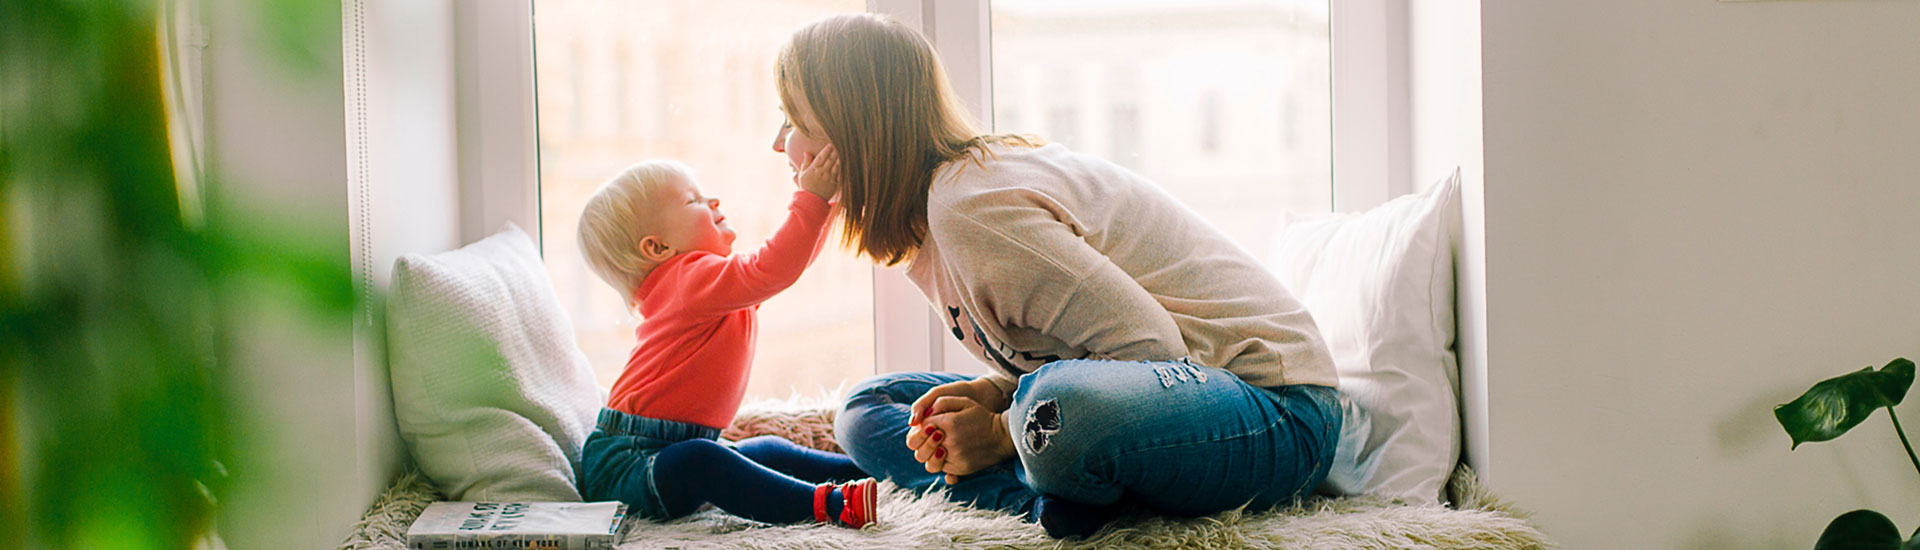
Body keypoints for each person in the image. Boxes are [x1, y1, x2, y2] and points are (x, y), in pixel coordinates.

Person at [772, 13, 1344, 538]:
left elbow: (1154, 349)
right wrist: (999, 395)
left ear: (856, 132)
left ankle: (1047, 480)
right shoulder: (933, 221)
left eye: (795, 121)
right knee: (867, 408)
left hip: (1276, 410)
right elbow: (1077, 357)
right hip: (1158, 399)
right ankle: (1057, 495)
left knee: (1054, 408)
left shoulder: (971, 207)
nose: (780, 143)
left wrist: (998, 432)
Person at [572, 155, 878, 528]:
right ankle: (828, 505)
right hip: (628, 465)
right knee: (703, 461)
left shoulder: (705, 285)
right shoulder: (688, 280)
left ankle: (868, 469)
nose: (713, 200)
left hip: (669, 449)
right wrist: (811, 198)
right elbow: (775, 267)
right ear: (657, 248)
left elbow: (784, 268)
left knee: (765, 450)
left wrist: (826, 205)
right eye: (693, 200)